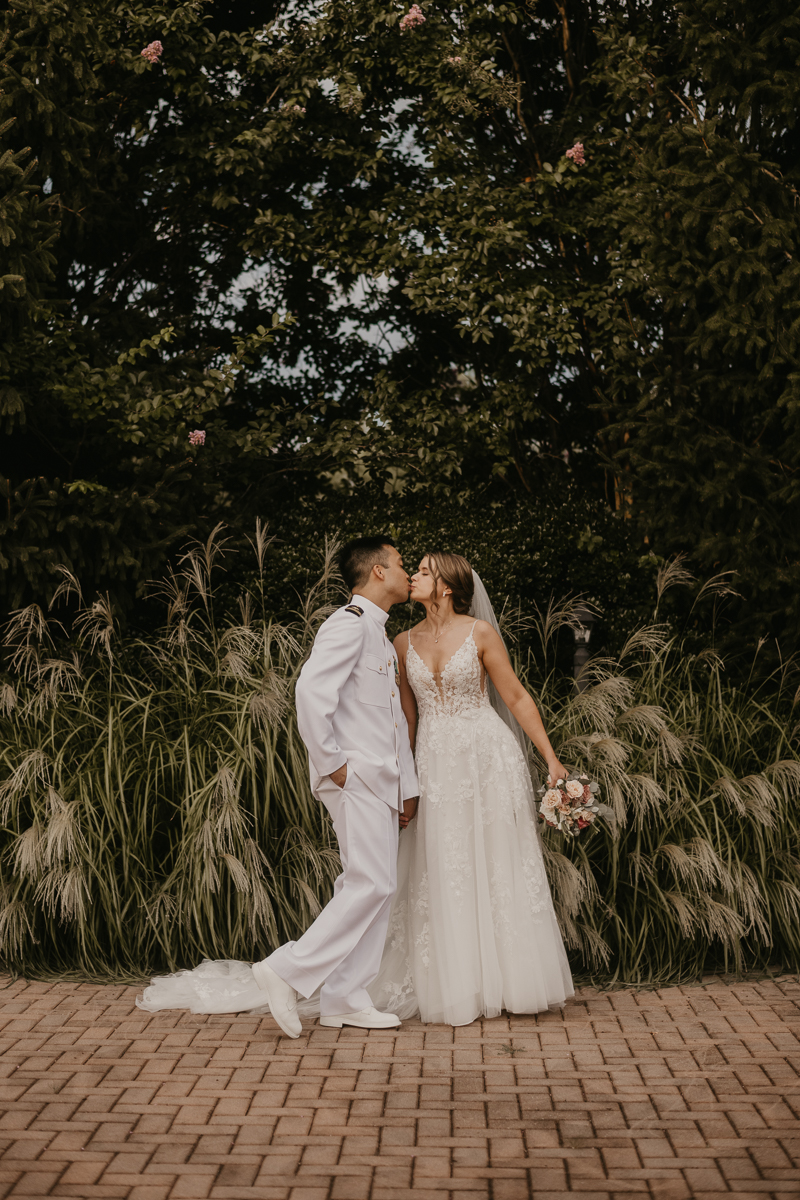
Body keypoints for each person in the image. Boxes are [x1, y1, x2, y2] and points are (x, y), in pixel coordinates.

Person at [137, 535, 419, 1037]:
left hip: (379, 781)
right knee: (369, 882)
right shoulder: (346, 624)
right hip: (356, 778)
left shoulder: (378, 632)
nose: (406, 571)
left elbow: (393, 721)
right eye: (399, 563)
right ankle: (285, 970)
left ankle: (344, 998)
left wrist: (406, 785)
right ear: (377, 571)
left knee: (377, 886)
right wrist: (333, 765)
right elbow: (310, 693)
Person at [367, 551, 574, 1026]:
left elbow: (515, 696)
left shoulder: (480, 633)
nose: (413, 577)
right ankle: (456, 980)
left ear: (445, 585)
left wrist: (552, 759)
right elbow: (407, 717)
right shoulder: (400, 641)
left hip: (487, 757)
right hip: (435, 761)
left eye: (422, 571)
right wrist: (405, 779)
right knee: (443, 864)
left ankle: (510, 981)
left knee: (497, 860)